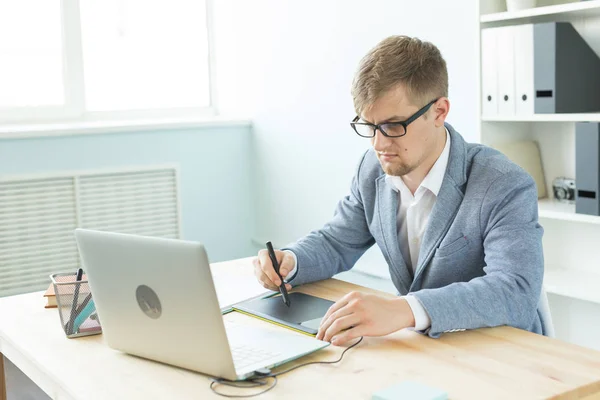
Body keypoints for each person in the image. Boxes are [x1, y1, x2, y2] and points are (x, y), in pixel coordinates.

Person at [253, 35, 545, 345]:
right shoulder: (373, 169)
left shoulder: (503, 183)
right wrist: (291, 262)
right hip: (425, 347)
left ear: (439, 112)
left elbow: (514, 289)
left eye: (393, 126)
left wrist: (406, 309)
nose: (378, 144)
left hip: (503, 351)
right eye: (369, 126)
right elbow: (338, 241)